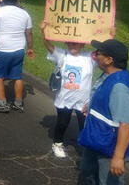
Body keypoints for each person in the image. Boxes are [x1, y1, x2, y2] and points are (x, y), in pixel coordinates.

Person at [78, 39, 129, 184]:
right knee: (88, 176)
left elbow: (126, 124)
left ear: (109, 60)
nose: (94, 55)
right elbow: (102, 95)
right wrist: (91, 105)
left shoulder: (120, 87)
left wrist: (118, 157)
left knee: (107, 182)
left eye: (98, 53)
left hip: (108, 148)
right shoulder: (108, 75)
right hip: (96, 139)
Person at [40, 21, 95, 158]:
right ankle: (57, 143)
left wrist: (110, 34)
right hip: (65, 98)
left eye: (75, 43)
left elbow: (104, 50)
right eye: (69, 43)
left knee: (85, 126)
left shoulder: (89, 58)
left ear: (82, 44)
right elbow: (49, 46)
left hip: (84, 101)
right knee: (63, 122)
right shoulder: (62, 55)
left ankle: (85, 147)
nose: (72, 46)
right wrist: (44, 31)